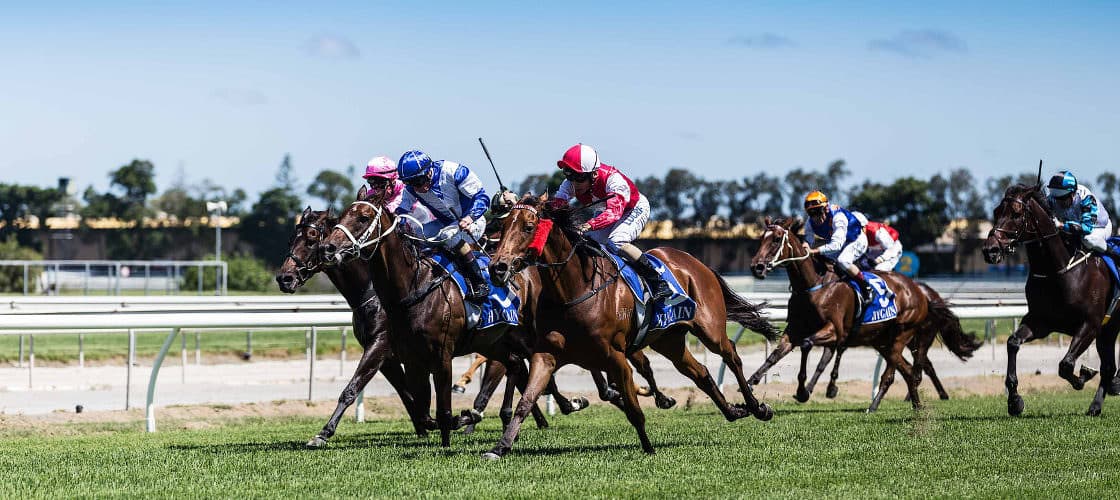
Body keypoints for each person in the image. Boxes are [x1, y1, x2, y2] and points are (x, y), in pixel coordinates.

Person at [548, 143, 671, 300]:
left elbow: (613, 214)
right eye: (569, 175)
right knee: (585, 242)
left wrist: (587, 225)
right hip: (605, 211)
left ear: (593, 174)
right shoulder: (570, 184)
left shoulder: (613, 180)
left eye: (578, 177)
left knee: (616, 241)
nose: (573, 183)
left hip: (632, 209)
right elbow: (556, 205)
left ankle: (658, 281)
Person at [395, 149, 491, 300]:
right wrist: (397, 221)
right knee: (415, 233)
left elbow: (483, 198)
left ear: (429, 171)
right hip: (446, 223)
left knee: (449, 235)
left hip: (474, 221)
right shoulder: (412, 188)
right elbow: (402, 210)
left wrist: (469, 218)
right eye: (410, 183)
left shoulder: (455, 172)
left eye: (418, 181)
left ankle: (480, 282)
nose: (416, 187)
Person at [803, 191, 873, 302]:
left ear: (826, 208)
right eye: (811, 213)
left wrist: (814, 251)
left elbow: (836, 245)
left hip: (856, 240)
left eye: (817, 211)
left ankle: (866, 286)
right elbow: (808, 240)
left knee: (843, 261)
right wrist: (806, 245)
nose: (815, 217)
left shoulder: (838, 217)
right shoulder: (810, 222)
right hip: (839, 243)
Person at [1045, 170, 1119, 260]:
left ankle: (1115, 255)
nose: (1059, 202)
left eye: (1063, 198)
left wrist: (1061, 225)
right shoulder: (1052, 199)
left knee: (1088, 240)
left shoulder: (1086, 198)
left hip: (1099, 227)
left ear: (1072, 194)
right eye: (1056, 198)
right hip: (1076, 228)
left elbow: (1086, 228)